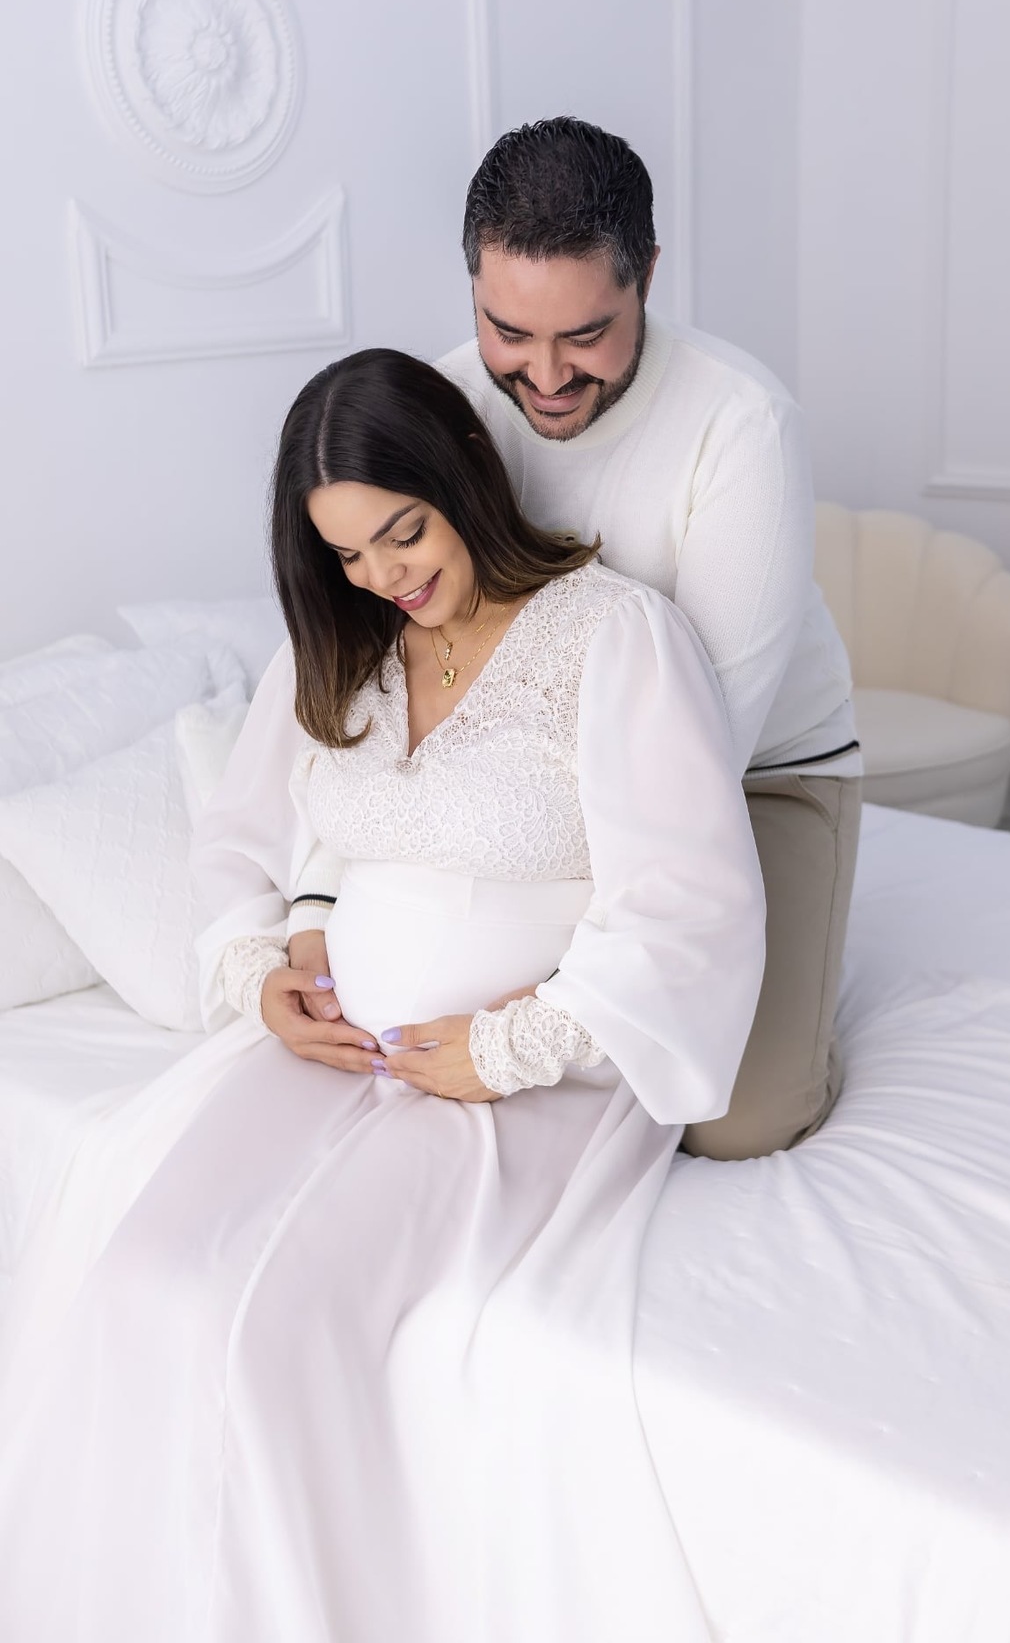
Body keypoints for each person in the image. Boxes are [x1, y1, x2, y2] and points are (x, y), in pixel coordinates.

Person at [0, 349, 765, 1643]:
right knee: (142, 1278)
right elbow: (246, 834)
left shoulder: (610, 634)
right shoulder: (348, 651)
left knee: (279, 1332)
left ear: (462, 476)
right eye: (349, 555)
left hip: (532, 1077)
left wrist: (518, 1044)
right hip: (341, 1054)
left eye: (403, 532)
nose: (385, 574)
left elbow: (691, 894)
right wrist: (269, 963)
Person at [293, 117, 862, 1159]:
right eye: (510, 331)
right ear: (472, 285)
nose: (546, 376)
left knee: (729, 1123)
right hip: (538, 762)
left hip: (751, 769)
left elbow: (692, 771)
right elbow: (360, 690)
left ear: (646, 273)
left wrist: (550, 1006)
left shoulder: (741, 428)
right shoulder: (448, 398)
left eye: (587, 334)